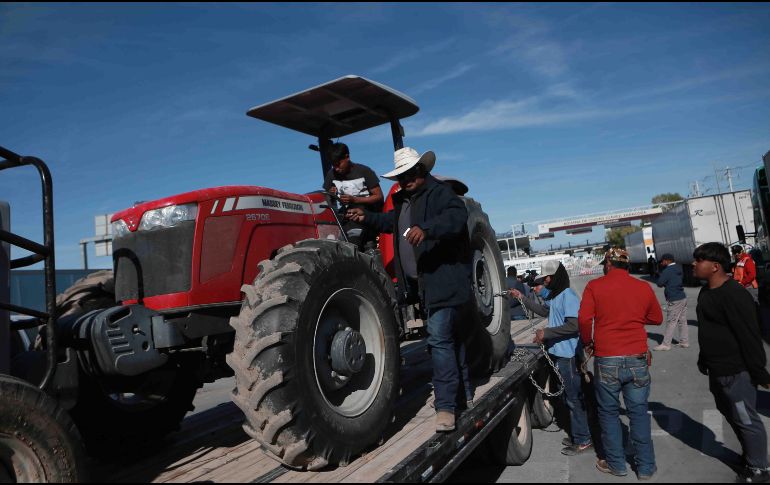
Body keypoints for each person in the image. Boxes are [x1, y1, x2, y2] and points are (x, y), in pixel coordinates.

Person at [346, 147, 471, 432]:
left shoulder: (441, 193)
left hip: (444, 281)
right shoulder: (404, 200)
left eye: (409, 174)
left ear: (421, 170)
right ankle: (462, 396)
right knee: (452, 342)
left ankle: (446, 408)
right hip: (425, 286)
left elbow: (456, 217)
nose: (404, 180)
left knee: (439, 342)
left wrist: (427, 229)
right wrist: (366, 217)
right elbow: (391, 223)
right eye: (400, 176)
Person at [578, 247, 663, 479]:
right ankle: (645, 467)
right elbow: (657, 318)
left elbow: (585, 319)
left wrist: (588, 342)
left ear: (608, 264)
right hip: (637, 358)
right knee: (638, 413)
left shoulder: (595, 286)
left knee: (608, 413)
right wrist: (632, 316)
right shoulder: (642, 287)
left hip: (607, 359)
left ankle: (616, 465)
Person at [693, 242, 770, 483]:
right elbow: (708, 331)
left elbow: (749, 335)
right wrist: (703, 358)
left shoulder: (734, 295)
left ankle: (760, 469)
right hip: (717, 370)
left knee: (746, 418)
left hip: (737, 372)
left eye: (699, 260)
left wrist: (758, 371)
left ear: (715, 266)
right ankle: (751, 457)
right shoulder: (706, 293)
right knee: (732, 414)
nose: (694, 264)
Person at [510, 260, 593, 456]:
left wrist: (546, 333)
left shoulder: (568, 296)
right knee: (567, 397)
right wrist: (522, 297)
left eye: (547, 277)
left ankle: (583, 439)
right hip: (559, 354)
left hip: (568, 356)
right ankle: (578, 434)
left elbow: (574, 326)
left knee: (573, 399)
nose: (545, 281)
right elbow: (543, 311)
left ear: (555, 276)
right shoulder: (556, 297)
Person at [322, 142, 384, 249]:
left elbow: (379, 196)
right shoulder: (331, 174)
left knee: (352, 241)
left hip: (366, 215)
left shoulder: (364, 171)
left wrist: (355, 200)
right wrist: (331, 194)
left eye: (338, 164)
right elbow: (326, 197)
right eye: (333, 165)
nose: (336, 168)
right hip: (346, 216)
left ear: (347, 157)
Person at [653, 253, 689, 351]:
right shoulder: (678, 268)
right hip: (682, 296)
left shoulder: (667, 270)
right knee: (682, 320)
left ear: (668, 260)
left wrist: (659, 275)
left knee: (671, 321)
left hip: (674, 298)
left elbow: (660, 283)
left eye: (663, 261)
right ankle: (684, 341)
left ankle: (666, 344)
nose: (662, 262)